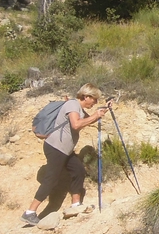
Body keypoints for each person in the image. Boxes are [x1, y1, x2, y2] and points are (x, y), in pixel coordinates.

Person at [21, 83, 111, 226]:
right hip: (55, 148)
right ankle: (30, 212)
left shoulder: (79, 108)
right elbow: (76, 124)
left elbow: (88, 119)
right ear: (86, 96)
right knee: (51, 179)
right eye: (94, 99)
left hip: (65, 150)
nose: (95, 103)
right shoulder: (72, 105)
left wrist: (104, 110)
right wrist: (96, 115)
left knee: (79, 171)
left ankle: (76, 205)